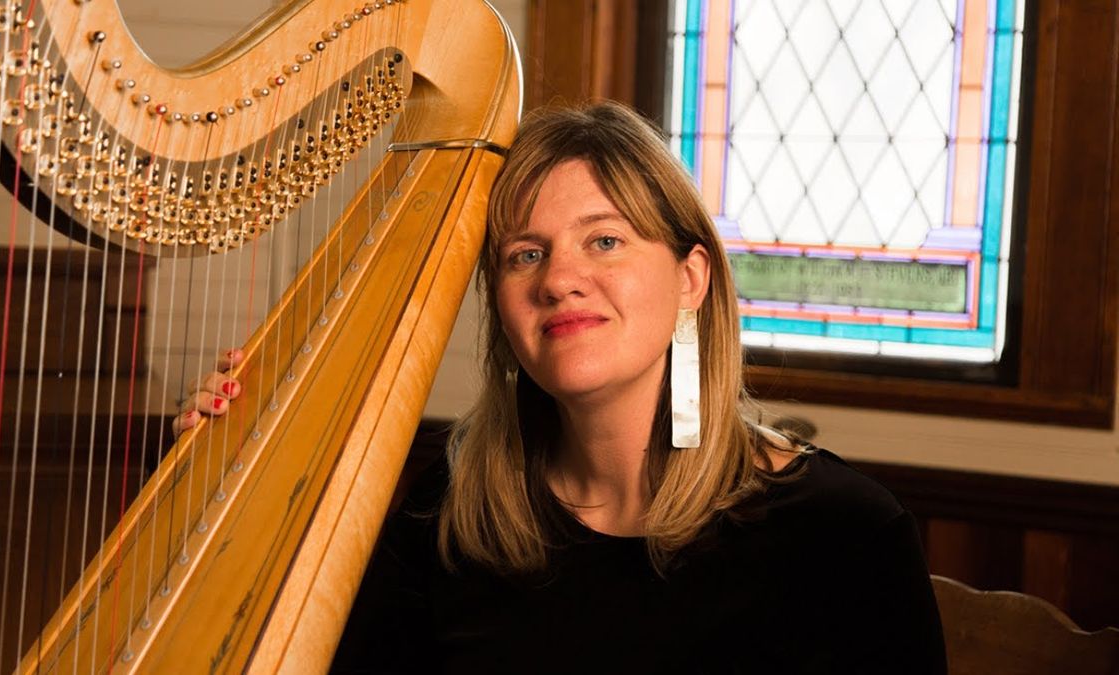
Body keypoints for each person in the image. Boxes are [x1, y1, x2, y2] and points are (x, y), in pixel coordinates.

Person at [177, 102, 947, 674]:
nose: (559, 280)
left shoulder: (847, 535)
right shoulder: (450, 505)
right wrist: (218, 480)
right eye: (524, 254)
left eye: (603, 240)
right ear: (501, 306)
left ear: (690, 278)